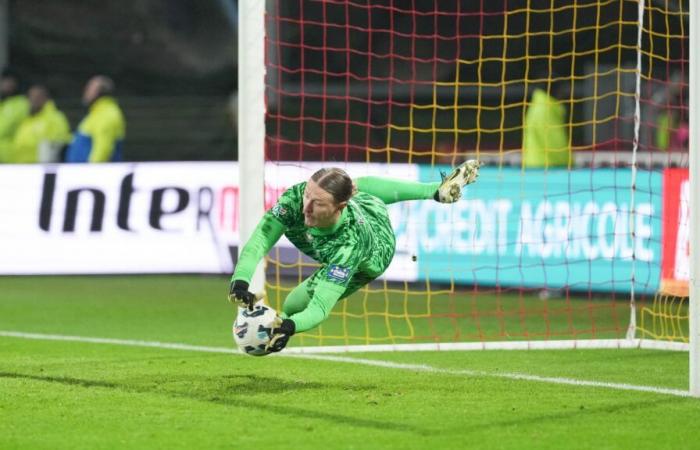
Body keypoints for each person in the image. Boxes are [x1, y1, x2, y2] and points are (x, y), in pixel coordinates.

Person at [228, 160, 481, 352]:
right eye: (307, 195)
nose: (306, 207)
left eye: (317, 203)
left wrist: (289, 327)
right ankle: (436, 191)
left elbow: (319, 307)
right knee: (353, 187)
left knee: (295, 306)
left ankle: (432, 191)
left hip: (374, 251)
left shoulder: (348, 247)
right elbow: (260, 240)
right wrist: (240, 281)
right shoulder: (295, 199)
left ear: (338, 208)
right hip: (350, 214)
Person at [65, 75, 125, 162]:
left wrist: (93, 171)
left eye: (89, 88)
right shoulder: (97, 113)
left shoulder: (106, 114)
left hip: (89, 173)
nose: (85, 92)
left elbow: (103, 148)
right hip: (80, 172)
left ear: (100, 92)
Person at [7, 85, 71, 163]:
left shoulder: (55, 118)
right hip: (20, 165)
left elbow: (57, 143)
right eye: (31, 96)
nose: (34, 100)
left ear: (46, 98)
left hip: (40, 166)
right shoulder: (26, 119)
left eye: (38, 96)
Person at [522, 87, 570, 169]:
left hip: (537, 164)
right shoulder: (545, 109)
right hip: (546, 166)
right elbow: (554, 143)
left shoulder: (540, 106)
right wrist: (569, 162)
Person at [0, 69, 30, 163]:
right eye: (5, 80)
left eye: (11, 81)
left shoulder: (22, 103)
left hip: (11, 157)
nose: (8, 84)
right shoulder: (3, 104)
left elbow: (5, 128)